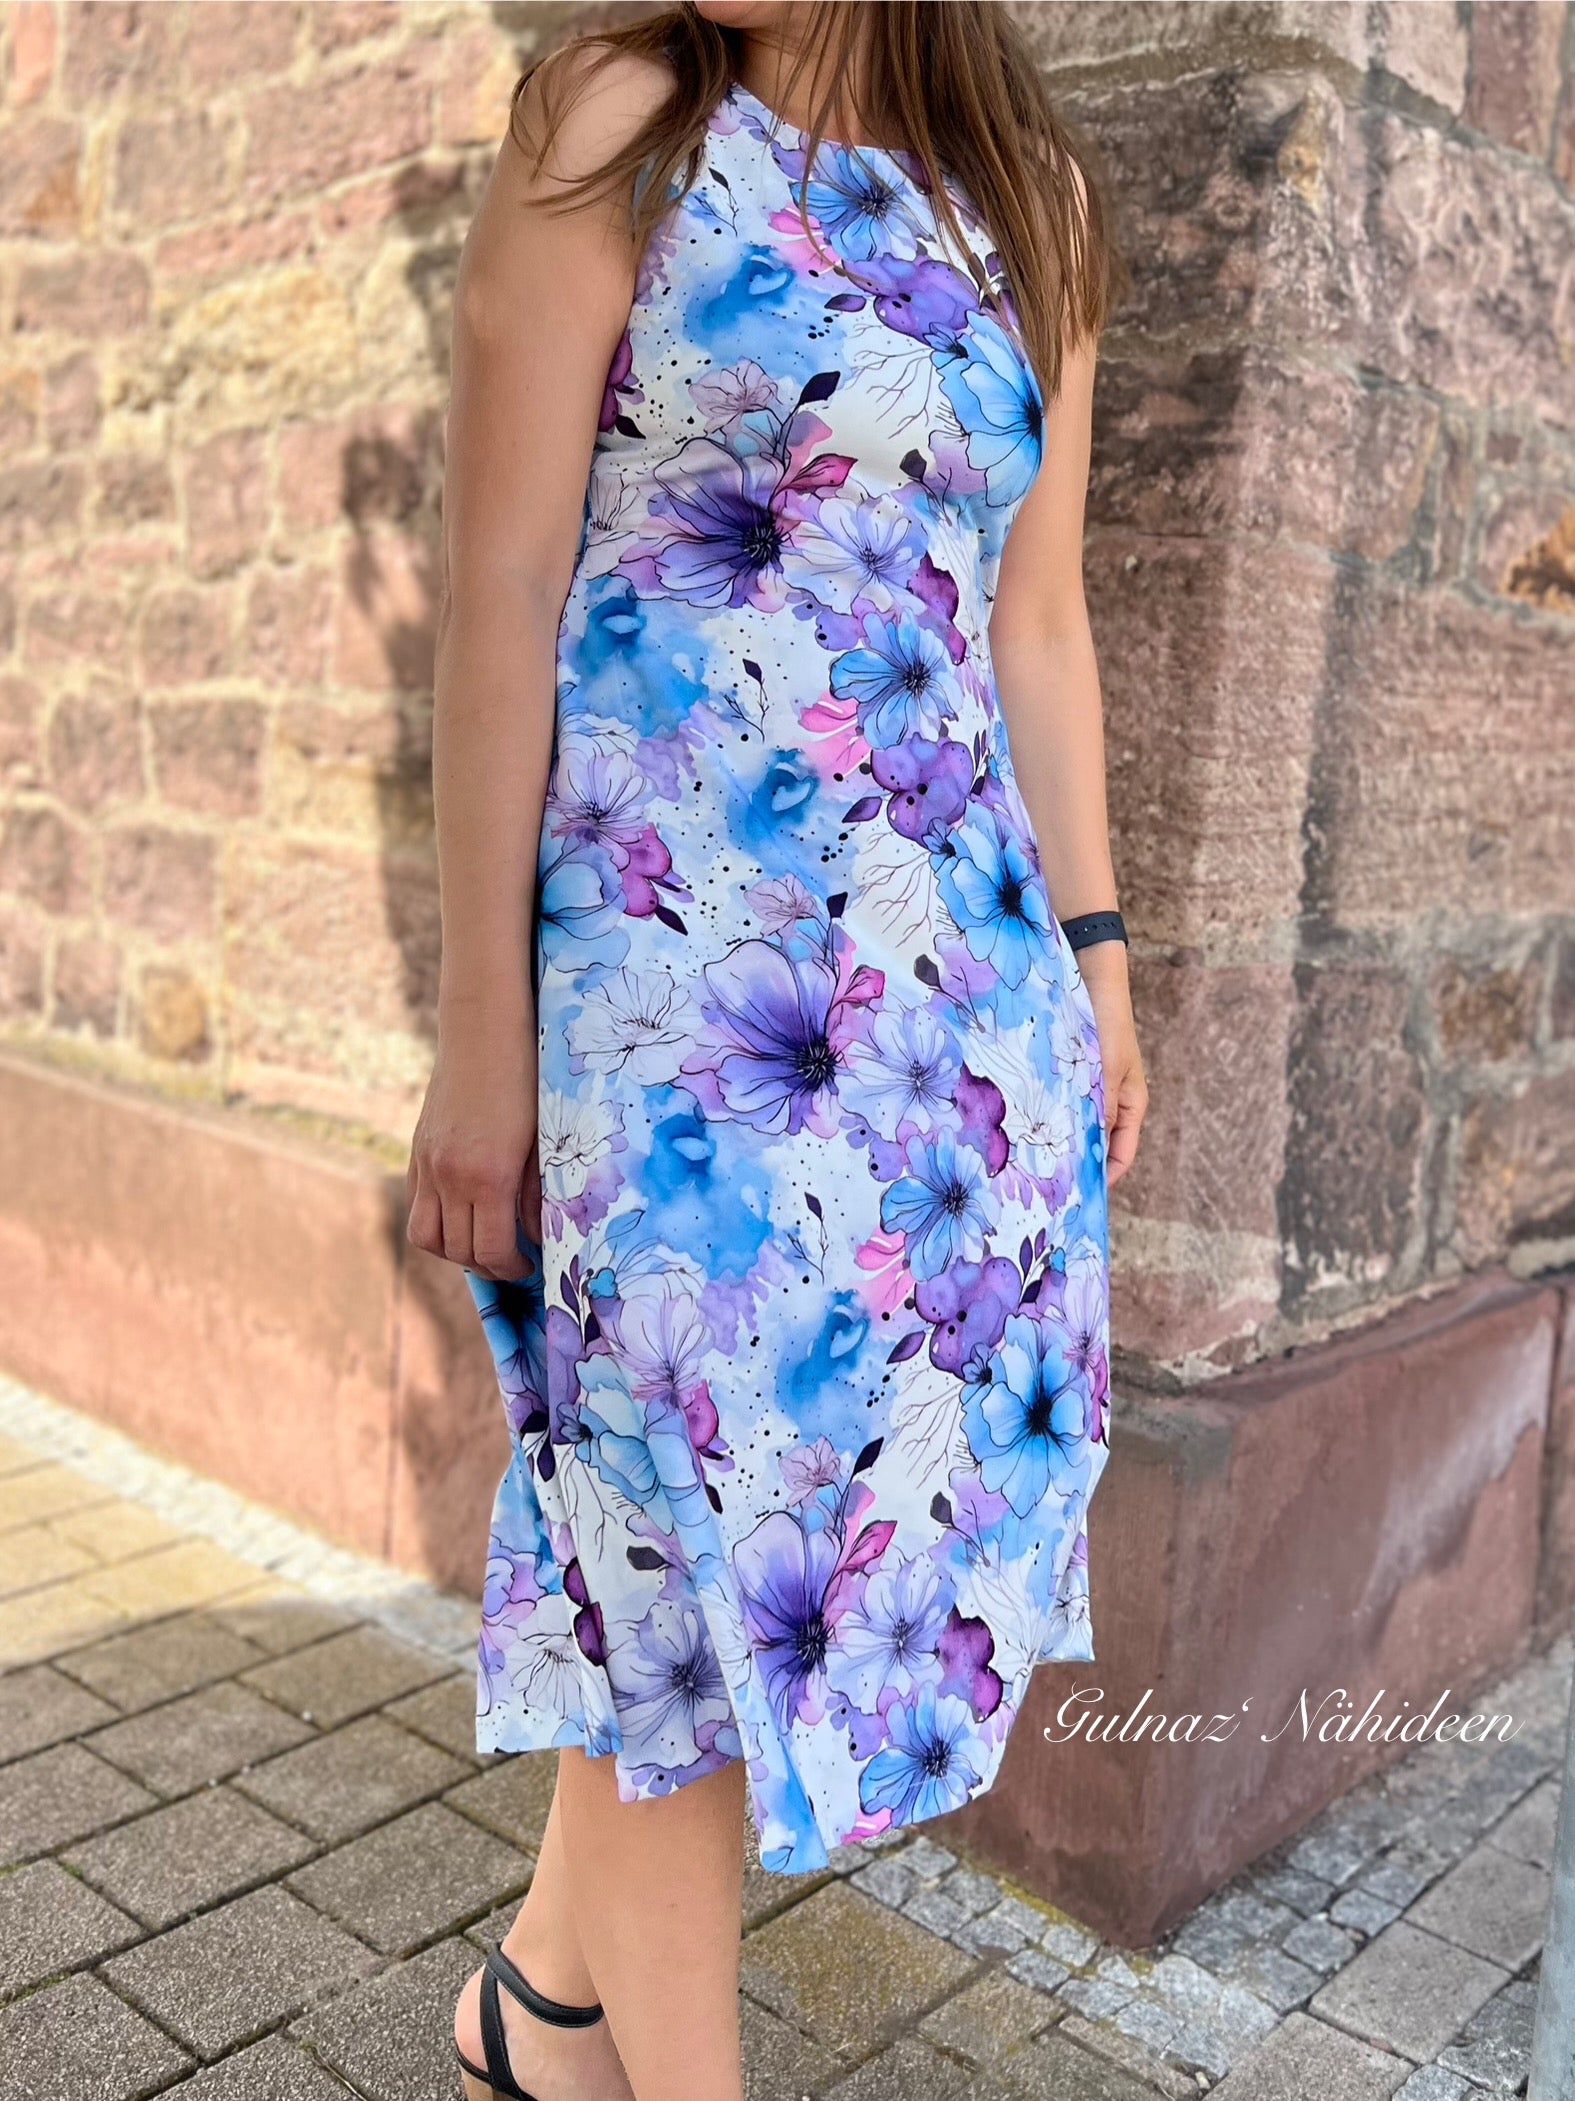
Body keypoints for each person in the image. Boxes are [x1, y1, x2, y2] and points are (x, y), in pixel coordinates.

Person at [404, 4, 1147, 2096]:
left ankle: (544, 2013)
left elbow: (1036, 621)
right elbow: (502, 576)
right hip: (671, 1014)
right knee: (671, 1533)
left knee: (765, 1550)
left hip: (948, 1032)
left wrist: (1098, 955)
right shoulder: (623, 122)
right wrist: (478, 1034)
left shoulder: (1030, 207)